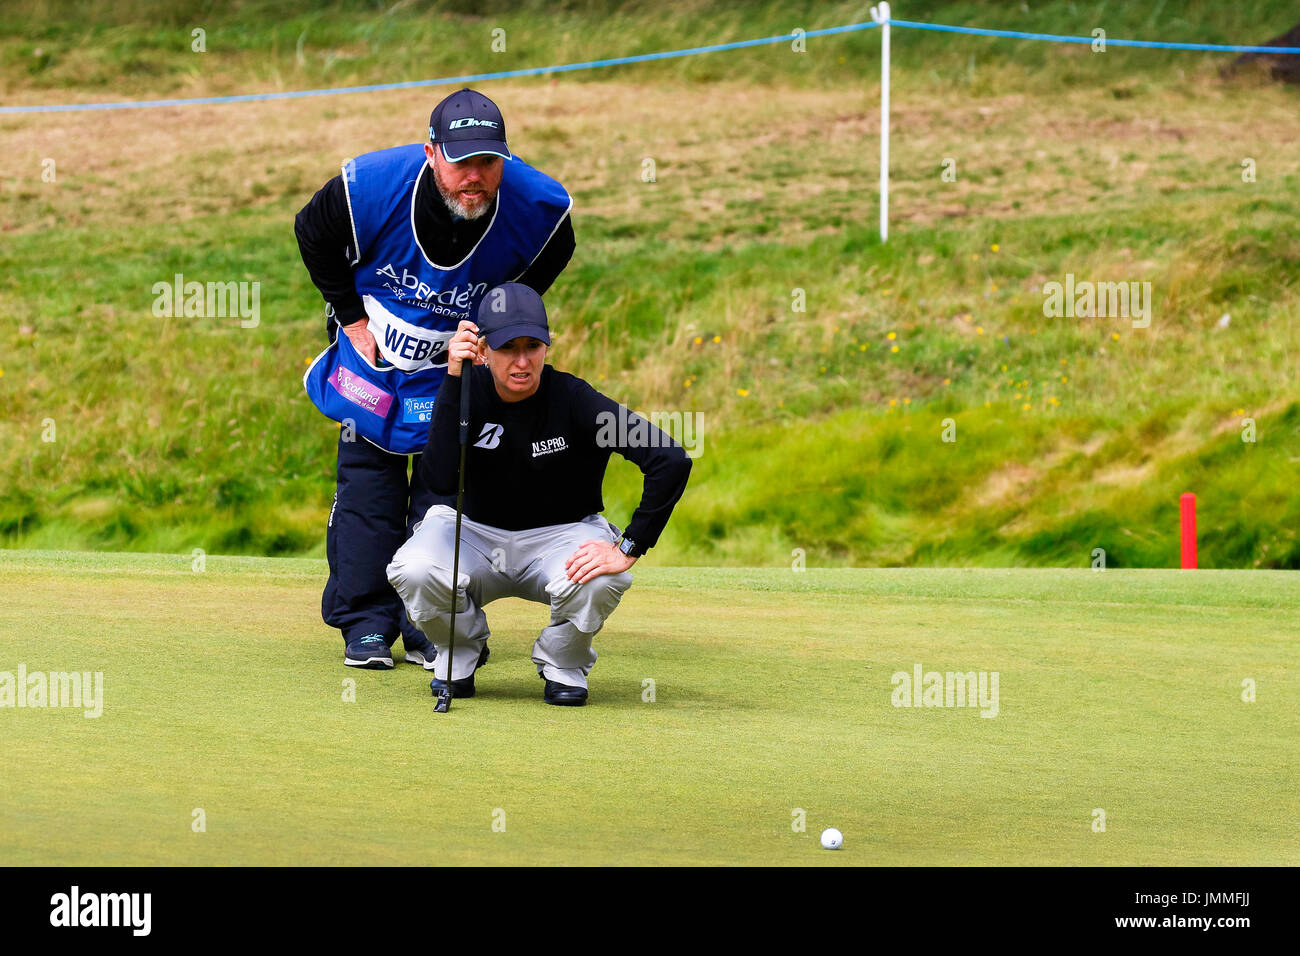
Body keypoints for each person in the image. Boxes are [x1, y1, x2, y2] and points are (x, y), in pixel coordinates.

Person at [295, 89, 575, 670]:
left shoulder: (540, 207)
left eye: (488, 162)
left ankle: (430, 623)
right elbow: (312, 232)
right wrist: (349, 318)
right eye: (461, 161)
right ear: (430, 152)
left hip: (455, 366)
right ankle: (366, 624)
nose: (475, 176)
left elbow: (550, 257)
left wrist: (497, 325)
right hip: (371, 354)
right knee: (368, 491)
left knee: (445, 496)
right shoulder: (367, 185)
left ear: (506, 159)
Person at [386, 283, 692, 706]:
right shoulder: (465, 389)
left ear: (548, 346)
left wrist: (629, 545)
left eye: (534, 345)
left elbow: (670, 458)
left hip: (560, 536)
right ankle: (461, 649)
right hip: (474, 531)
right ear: (484, 349)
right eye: (508, 347)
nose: (523, 360)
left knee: (605, 576)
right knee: (415, 568)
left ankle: (562, 661)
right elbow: (438, 481)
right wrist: (454, 381)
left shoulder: (575, 400)